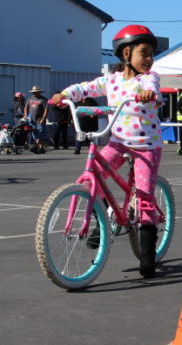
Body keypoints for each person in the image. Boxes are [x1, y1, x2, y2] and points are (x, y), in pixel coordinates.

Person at [51, 24, 164, 279]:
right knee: (97, 177)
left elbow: (154, 90)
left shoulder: (148, 79)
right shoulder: (111, 81)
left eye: (151, 54)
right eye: (144, 53)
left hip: (146, 145)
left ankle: (148, 256)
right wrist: (65, 94)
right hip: (118, 142)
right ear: (126, 54)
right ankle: (102, 225)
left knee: (145, 196)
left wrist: (149, 94)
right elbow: (87, 88)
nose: (149, 59)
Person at [24, 85, 49, 154]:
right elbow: (26, 107)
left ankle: (35, 147)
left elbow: (46, 109)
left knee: (39, 135)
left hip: (40, 120)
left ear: (39, 92)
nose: (34, 93)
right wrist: (26, 115)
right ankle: (41, 149)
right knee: (34, 135)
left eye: (36, 92)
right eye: (33, 92)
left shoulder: (43, 99)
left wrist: (43, 118)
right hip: (31, 120)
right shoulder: (30, 98)